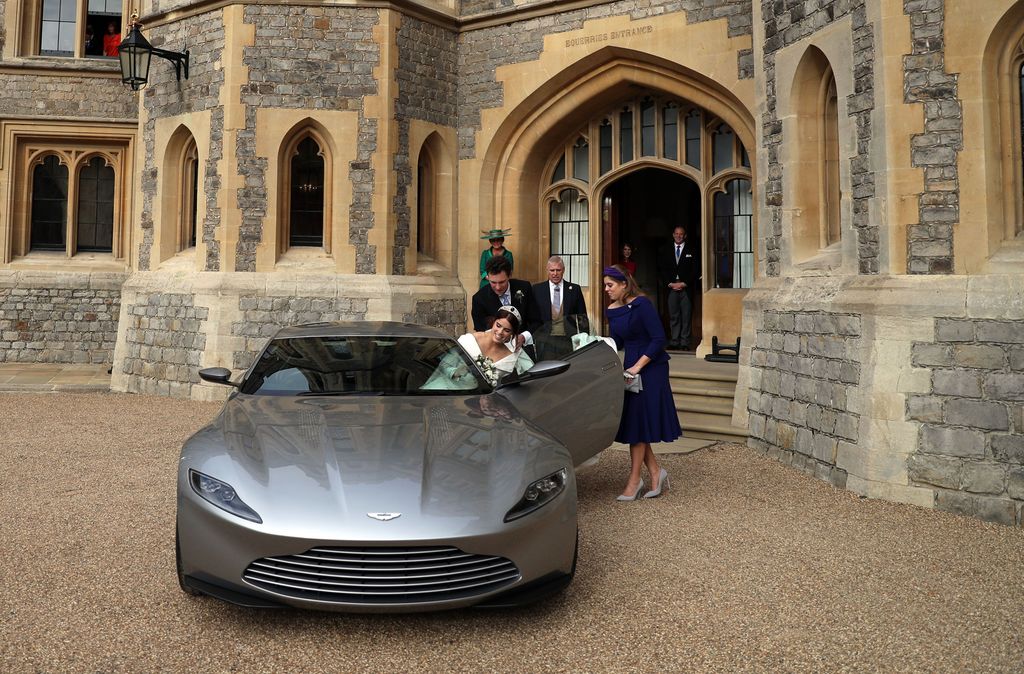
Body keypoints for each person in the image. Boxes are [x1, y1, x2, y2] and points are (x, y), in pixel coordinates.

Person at [603, 264, 681, 501]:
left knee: (638, 426)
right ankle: (656, 473)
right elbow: (616, 341)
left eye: (610, 285)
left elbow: (659, 339)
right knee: (638, 424)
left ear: (624, 284)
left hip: (651, 367)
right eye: (605, 285)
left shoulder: (642, 304)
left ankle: (634, 481)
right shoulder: (612, 310)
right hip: (630, 368)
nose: (606, 289)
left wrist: (638, 366)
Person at [471, 255, 542, 357]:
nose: (498, 287)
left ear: (510, 275)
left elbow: (537, 321)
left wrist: (523, 337)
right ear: (488, 277)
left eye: (502, 282)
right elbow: (481, 331)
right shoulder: (479, 299)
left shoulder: (524, 288)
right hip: (496, 354)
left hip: (525, 350)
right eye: (493, 282)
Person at [457, 306, 534, 386]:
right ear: (493, 322)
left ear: (512, 333)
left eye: (507, 330)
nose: (500, 332)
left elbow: (532, 376)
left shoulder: (514, 354)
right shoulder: (468, 340)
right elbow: (445, 365)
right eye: (498, 325)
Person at [532, 255, 589, 360]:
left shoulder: (574, 289)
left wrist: (584, 339)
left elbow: (582, 317)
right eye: (552, 270)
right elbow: (532, 317)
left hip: (567, 340)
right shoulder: (537, 289)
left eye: (558, 270)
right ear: (547, 270)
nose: (555, 273)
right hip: (545, 341)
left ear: (563, 270)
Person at [657, 225, 700, 350]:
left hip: (686, 288)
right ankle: (674, 341)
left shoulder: (692, 250)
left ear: (684, 235)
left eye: (681, 234)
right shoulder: (665, 249)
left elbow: (696, 270)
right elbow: (661, 269)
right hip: (671, 288)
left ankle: (685, 343)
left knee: (686, 316)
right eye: (676, 233)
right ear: (673, 235)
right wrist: (669, 283)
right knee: (674, 316)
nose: (678, 236)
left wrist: (684, 283)